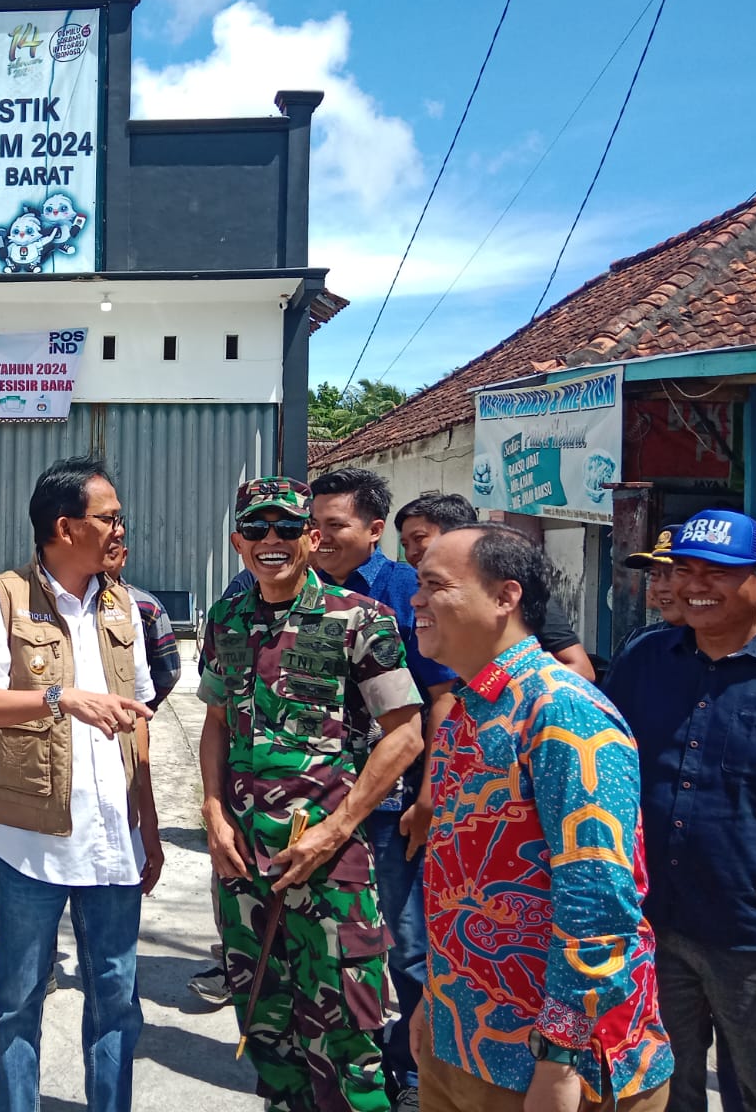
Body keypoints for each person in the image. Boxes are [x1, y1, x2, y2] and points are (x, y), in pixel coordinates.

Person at [410, 524, 673, 1111]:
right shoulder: (471, 706)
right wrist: (435, 995)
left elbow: (597, 897)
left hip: (547, 1064)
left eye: (434, 585)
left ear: (506, 596)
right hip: (461, 1036)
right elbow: (462, 878)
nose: (416, 599)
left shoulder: (561, 711)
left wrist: (561, 1055)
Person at [199, 476, 423, 1112]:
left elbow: (406, 735)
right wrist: (213, 813)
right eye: (257, 528)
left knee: (347, 1038)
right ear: (239, 542)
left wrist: (337, 828)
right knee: (266, 1030)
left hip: (330, 867)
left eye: (286, 527)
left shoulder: (360, 618)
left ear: (312, 537)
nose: (270, 539)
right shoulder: (226, 618)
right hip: (244, 864)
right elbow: (215, 722)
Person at [0, 455, 163, 1112]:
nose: (121, 529)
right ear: (66, 527)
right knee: (20, 1001)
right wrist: (59, 697)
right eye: (109, 518)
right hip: (28, 846)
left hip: (114, 843)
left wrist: (150, 825)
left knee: (116, 1002)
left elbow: (140, 721)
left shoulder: (124, 604)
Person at [308, 468, 457, 1109]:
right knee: (326, 939)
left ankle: (415, 1074)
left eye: (333, 525)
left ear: (374, 530)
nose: (318, 537)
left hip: (393, 806)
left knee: (407, 944)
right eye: (312, 525)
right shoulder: (296, 588)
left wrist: (429, 795)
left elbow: (442, 695)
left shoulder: (405, 591)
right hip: (312, 800)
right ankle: (338, 1060)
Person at [604, 509, 756, 1112]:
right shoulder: (646, 658)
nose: (695, 585)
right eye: (684, 569)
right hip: (654, 923)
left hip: (747, 935)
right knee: (663, 1087)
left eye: (716, 572)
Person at [393, 492, 596, 679]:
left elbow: (581, 669)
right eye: (405, 545)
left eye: (419, 539)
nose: (411, 553)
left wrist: (500, 689)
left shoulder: (515, 594)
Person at [105, 542, 181, 711]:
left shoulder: (145, 606)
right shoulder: (65, 603)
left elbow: (169, 671)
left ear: (123, 556)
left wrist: (143, 706)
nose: (102, 561)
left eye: (110, 553)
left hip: (127, 715)